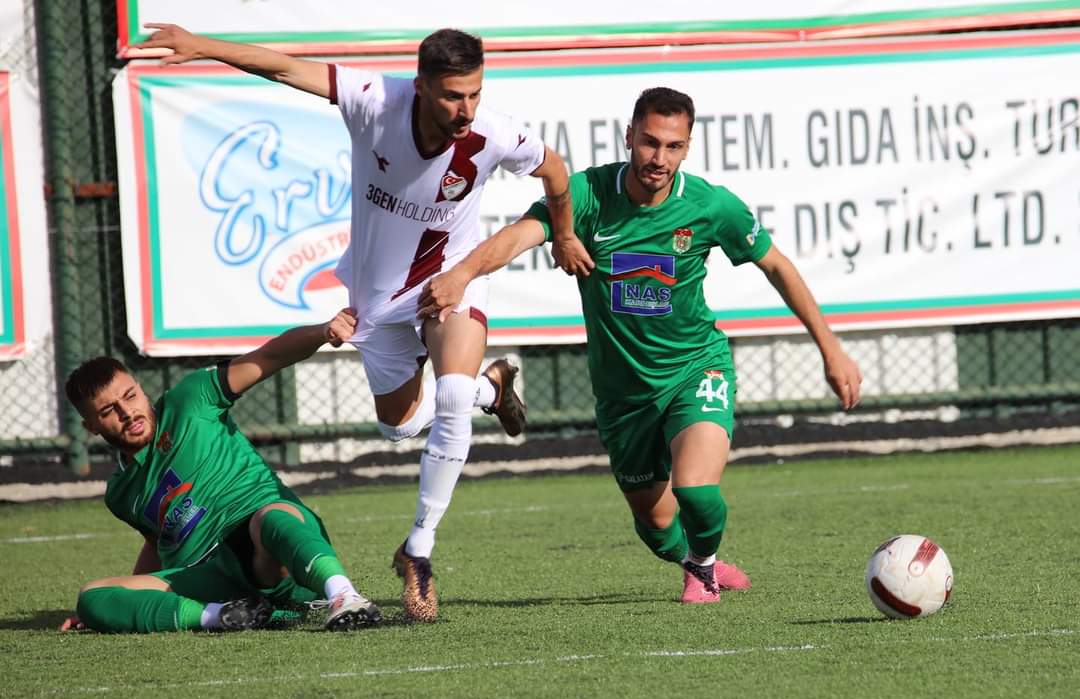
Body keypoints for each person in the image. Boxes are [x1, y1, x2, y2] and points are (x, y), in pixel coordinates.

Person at [135, 24, 585, 622]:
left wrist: (565, 232)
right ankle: (491, 389)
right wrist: (204, 46)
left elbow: (556, 174)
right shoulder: (376, 100)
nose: (466, 108)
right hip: (376, 303)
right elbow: (283, 66)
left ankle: (418, 550)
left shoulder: (493, 133)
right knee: (400, 428)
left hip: (447, 287)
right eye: (453, 95)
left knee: (448, 391)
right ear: (421, 86)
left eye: (474, 93)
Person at [418, 87, 863, 603]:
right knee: (655, 527)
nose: (659, 158)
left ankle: (703, 567)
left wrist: (830, 348)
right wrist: (462, 274)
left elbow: (777, 266)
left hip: (696, 368)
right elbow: (518, 236)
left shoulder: (710, 206)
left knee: (696, 489)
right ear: (629, 136)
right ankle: (692, 558)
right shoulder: (586, 196)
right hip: (623, 395)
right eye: (650, 142)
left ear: (688, 147)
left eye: (673, 147)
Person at [59, 308, 381, 633]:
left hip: (267, 549)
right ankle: (222, 616)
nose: (127, 412)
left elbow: (269, 356)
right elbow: (158, 544)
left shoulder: (191, 399)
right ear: (91, 426)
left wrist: (323, 331)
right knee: (92, 597)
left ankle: (343, 595)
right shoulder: (120, 493)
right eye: (109, 411)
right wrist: (118, 603)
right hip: (210, 578)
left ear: (141, 389)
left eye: (130, 396)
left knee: (271, 517)